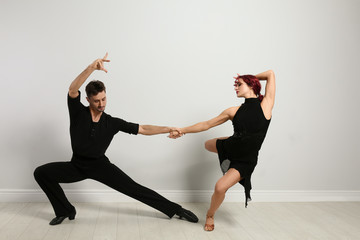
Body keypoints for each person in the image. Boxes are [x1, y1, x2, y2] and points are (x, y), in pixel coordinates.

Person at [34, 53, 198, 225]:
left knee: (134, 189)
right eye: (96, 101)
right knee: (41, 173)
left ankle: (176, 209)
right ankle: (65, 210)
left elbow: (142, 128)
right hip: (76, 165)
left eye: (104, 99)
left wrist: (168, 128)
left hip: (100, 166)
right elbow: (72, 90)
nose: (101, 104)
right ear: (88, 99)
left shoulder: (112, 123)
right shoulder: (77, 113)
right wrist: (91, 67)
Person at [169, 70, 276, 231]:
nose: (236, 88)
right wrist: (182, 130)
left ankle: (210, 215)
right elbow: (206, 125)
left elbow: (270, 74)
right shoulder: (232, 111)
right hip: (231, 147)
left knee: (220, 187)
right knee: (206, 144)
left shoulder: (265, 106)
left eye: (239, 84)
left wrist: (251, 76)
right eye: (236, 85)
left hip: (245, 160)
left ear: (251, 85)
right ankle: (234, 140)